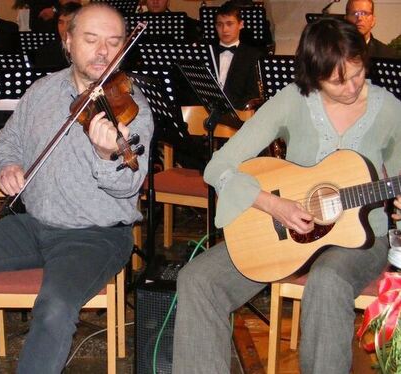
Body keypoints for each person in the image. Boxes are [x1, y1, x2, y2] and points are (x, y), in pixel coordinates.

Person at [0, 3, 152, 373]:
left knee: (54, 309)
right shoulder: (42, 91)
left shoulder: (133, 108)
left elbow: (128, 183)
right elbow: (9, 143)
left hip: (95, 235)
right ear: (68, 42)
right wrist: (7, 167)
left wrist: (104, 154)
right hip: (35, 225)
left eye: (114, 42)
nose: (103, 51)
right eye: (91, 39)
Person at [172, 17, 401, 374]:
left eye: (357, 73)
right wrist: (272, 204)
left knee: (328, 280)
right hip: (283, 231)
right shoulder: (294, 100)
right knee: (198, 280)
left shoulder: (389, 109)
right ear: (314, 76)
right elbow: (219, 167)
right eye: (337, 81)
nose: (353, 86)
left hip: (360, 239)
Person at [212, 1, 263, 110]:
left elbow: (253, 94)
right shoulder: (207, 52)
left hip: (237, 114)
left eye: (229, 24)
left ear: (241, 25)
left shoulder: (253, 56)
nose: (224, 29)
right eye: (220, 24)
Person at [33, 2, 82, 69]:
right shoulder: (46, 52)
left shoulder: (91, 50)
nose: (65, 28)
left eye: (69, 22)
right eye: (60, 23)